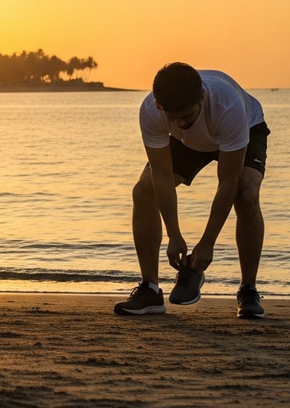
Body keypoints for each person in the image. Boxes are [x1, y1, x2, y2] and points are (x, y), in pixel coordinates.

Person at [114, 62, 269, 319]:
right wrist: (174, 235)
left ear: (202, 97)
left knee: (246, 193)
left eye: (186, 115)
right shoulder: (152, 111)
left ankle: (248, 290)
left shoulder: (227, 106)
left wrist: (207, 242)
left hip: (246, 127)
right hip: (189, 144)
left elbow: (227, 182)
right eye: (172, 117)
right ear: (159, 105)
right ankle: (150, 290)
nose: (180, 122)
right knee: (144, 190)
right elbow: (161, 176)